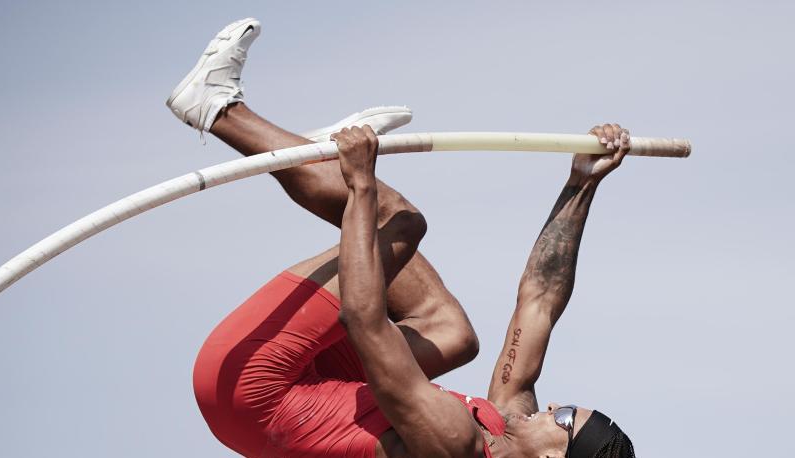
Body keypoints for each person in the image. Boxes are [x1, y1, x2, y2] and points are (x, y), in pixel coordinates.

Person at [167, 18, 636, 458]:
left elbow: (365, 320)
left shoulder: (454, 442)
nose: (554, 408)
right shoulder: (509, 422)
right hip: (302, 392)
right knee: (451, 334)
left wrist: (361, 185)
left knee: (397, 222)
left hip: (248, 387)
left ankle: (217, 108)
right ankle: (313, 161)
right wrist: (581, 183)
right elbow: (540, 301)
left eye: (566, 418)